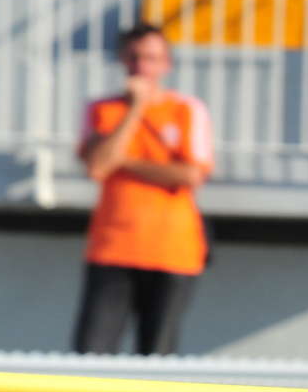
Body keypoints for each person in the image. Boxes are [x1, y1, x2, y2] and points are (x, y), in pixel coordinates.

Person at [71, 23, 214, 357]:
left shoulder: (186, 110)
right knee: (91, 355)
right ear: (123, 59)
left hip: (172, 250)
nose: (141, 67)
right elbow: (98, 166)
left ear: (166, 64)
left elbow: (190, 174)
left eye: (151, 58)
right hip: (113, 247)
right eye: (134, 57)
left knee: (157, 357)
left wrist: (125, 162)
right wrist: (135, 109)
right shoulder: (103, 110)